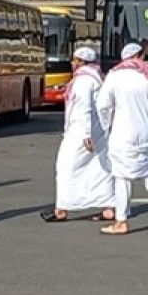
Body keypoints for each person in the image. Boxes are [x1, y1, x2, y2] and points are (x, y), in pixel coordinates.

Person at [95, 42, 148, 236]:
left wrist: (106, 126)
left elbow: (102, 106)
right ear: (140, 56)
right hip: (146, 133)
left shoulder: (115, 76)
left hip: (123, 133)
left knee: (121, 176)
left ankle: (121, 221)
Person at [40, 46, 115, 223]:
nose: (72, 63)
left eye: (75, 60)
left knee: (65, 167)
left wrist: (86, 133)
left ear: (81, 62)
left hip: (81, 131)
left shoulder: (83, 81)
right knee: (99, 167)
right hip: (99, 131)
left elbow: (84, 107)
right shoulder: (97, 78)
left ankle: (62, 209)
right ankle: (109, 207)